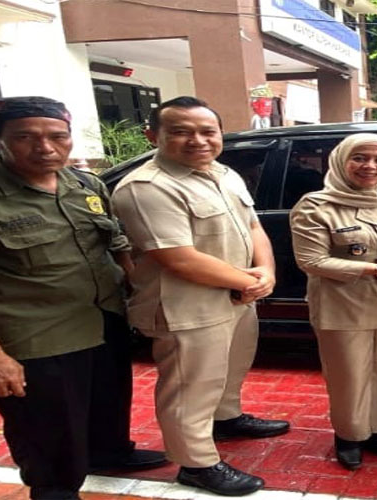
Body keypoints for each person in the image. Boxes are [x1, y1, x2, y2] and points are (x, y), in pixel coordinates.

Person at [0, 96, 166, 500]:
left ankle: (109, 453)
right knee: (48, 428)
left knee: (107, 401)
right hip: (37, 336)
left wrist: (137, 294)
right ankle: (54, 489)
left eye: (57, 136)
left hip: (102, 318)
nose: (45, 148)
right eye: (25, 137)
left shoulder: (85, 184)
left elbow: (115, 242)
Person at [112, 96, 289, 496]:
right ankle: (195, 463)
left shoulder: (223, 173)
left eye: (208, 131)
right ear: (153, 136)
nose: (198, 140)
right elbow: (178, 258)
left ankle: (225, 419)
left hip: (236, 295)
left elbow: (253, 226)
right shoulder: (147, 187)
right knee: (190, 386)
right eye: (181, 132)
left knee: (230, 369)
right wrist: (250, 282)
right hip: (185, 305)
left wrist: (266, 271)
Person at [289, 133, 377, 470]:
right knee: (348, 375)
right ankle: (349, 435)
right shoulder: (315, 206)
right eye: (360, 158)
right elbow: (312, 261)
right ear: (341, 161)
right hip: (342, 303)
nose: (370, 166)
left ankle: (375, 429)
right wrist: (375, 270)